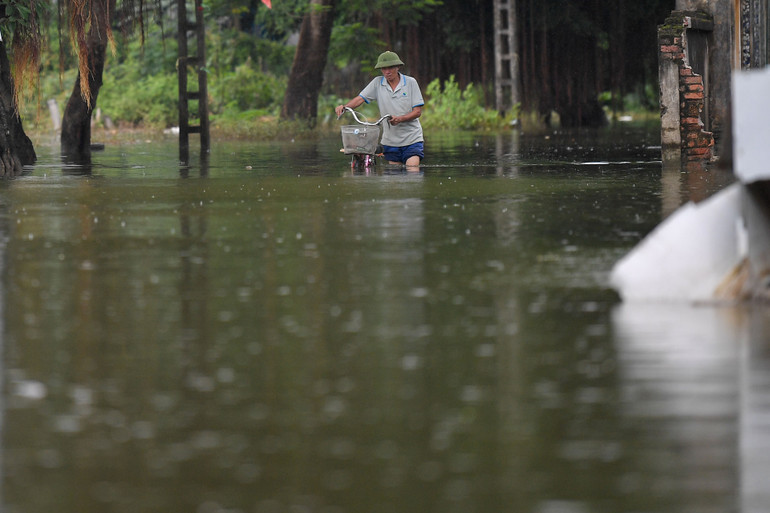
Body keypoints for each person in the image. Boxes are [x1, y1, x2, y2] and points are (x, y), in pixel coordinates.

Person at [335, 51, 424, 168]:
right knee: (394, 179)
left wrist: (400, 119)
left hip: (412, 139)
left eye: (391, 68)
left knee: (412, 173)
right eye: (384, 68)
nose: (387, 72)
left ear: (398, 67)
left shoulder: (410, 82)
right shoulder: (377, 83)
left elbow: (417, 112)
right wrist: (345, 107)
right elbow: (360, 99)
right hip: (390, 141)